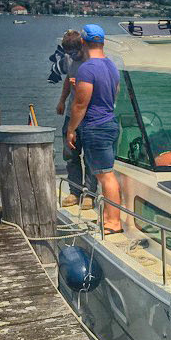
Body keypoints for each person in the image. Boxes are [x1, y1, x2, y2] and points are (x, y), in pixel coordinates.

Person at [66, 24, 122, 234]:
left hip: (95, 126)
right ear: (103, 42)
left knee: (105, 176)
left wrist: (71, 129)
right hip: (110, 123)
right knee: (107, 174)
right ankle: (109, 216)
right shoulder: (111, 65)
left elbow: (80, 104)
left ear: (83, 42)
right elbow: (115, 91)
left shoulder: (87, 69)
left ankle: (113, 222)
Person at [54, 30, 97, 207]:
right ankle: (74, 191)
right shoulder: (69, 59)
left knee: (90, 156)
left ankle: (90, 194)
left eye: (74, 52)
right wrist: (62, 100)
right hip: (72, 115)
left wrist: (80, 85)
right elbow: (67, 80)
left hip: (89, 116)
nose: (72, 56)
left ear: (83, 46)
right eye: (69, 53)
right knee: (70, 155)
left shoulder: (92, 62)